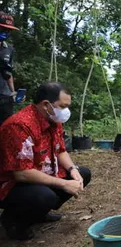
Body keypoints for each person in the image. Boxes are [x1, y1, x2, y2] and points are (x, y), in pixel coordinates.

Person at [0, 82, 91, 240]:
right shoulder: (19, 126)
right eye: (62, 106)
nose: (66, 111)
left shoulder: (53, 120)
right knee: (44, 196)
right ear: (46, 105)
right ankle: (13, 223)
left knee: (83, 173)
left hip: (39, 174)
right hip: (10, 183)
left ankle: (39, 212)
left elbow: (60, 150)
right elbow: (22, 173)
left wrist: (72, 170)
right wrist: (63, 183)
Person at [0, 12, 21, 125]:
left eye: (8, 30)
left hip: (5, 97)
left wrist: (13, 92)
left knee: (7, 128)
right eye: (3, 29)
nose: (6, 33)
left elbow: (9, 73)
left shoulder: (9, 49)